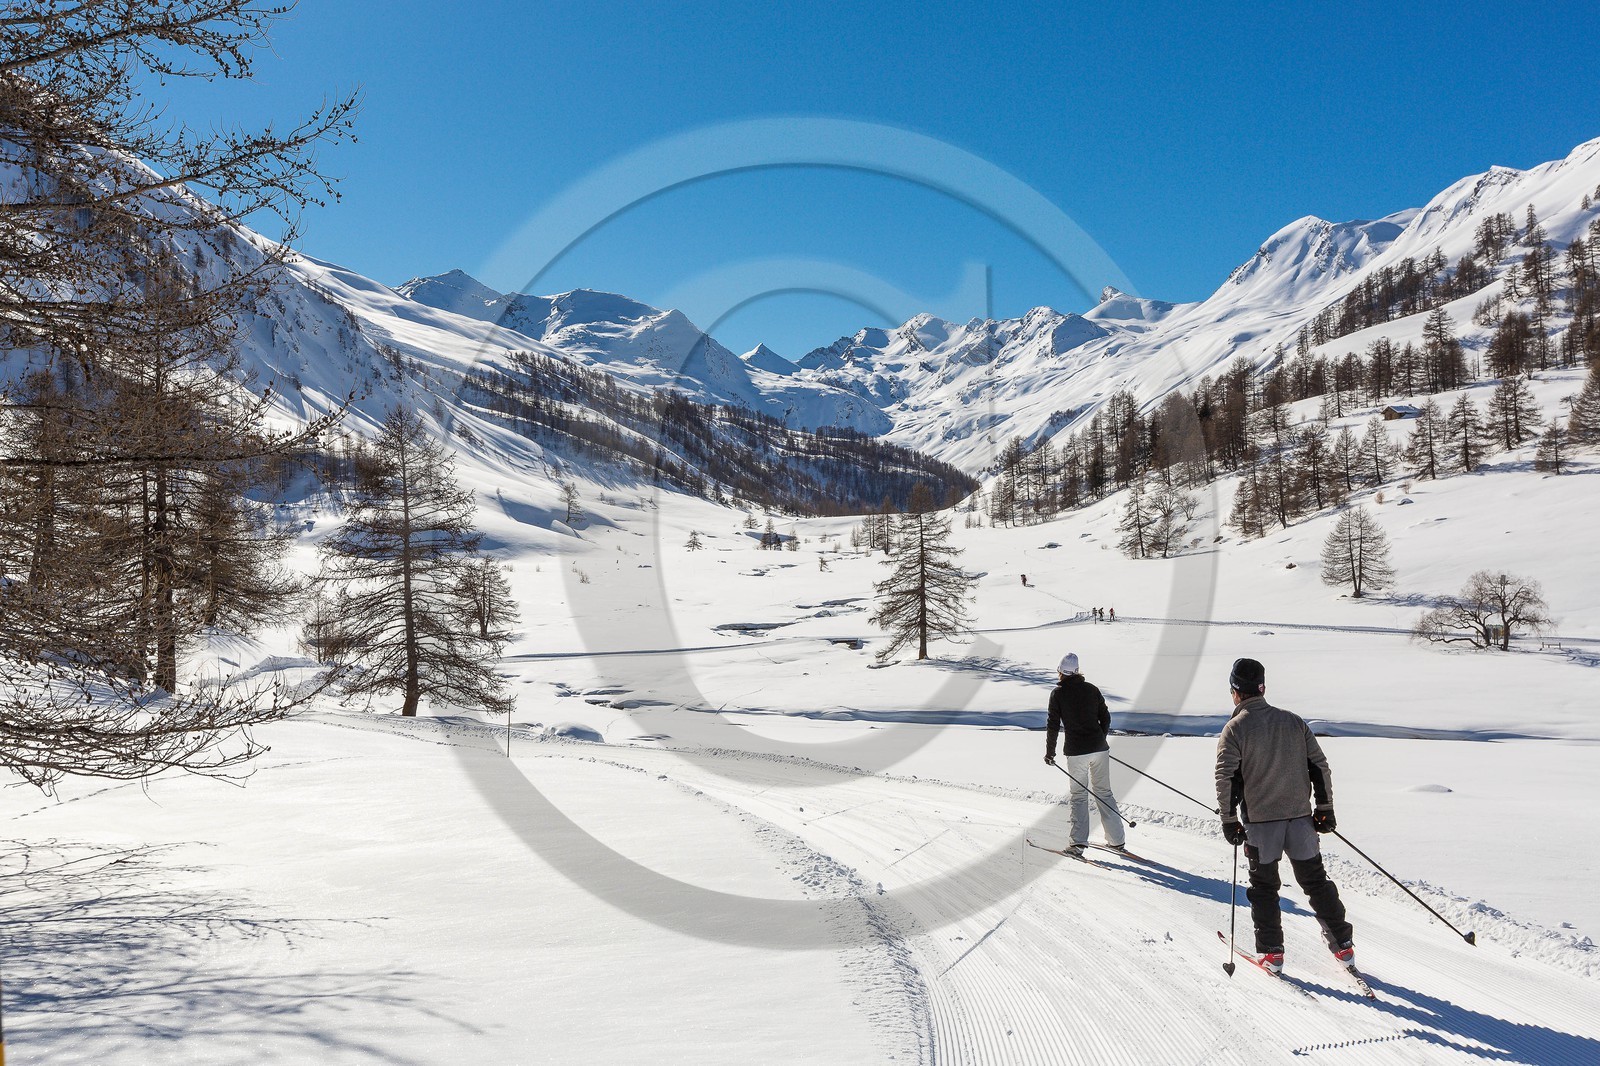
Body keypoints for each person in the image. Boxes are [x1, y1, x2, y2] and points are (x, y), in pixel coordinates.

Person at [1215, 657, 1354, 975]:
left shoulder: (1234, 729)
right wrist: (1325, 808)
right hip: (1301, 821)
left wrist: (1229, 819)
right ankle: (1343, 946)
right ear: (1262, 688)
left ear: (1235, 691)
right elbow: (1319, 766)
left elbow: (1226, 778)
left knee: (1264, 888)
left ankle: (1271, 954)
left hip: (1261, 825)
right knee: (1316, 882)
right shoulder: (1293, 721)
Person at [1044, 652, 1126, 856]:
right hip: (1100, 749)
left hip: (1076, 752)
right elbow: (1106, 718)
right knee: (1104, 792)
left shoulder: (1058, 694)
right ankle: (1117, 841)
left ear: (1060, 671)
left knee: (1079, 795)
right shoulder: (1092, 689)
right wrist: (1098, 739)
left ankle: (1078, 843)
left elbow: (1053, 725)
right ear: (1077, 671)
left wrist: (1050, 753)